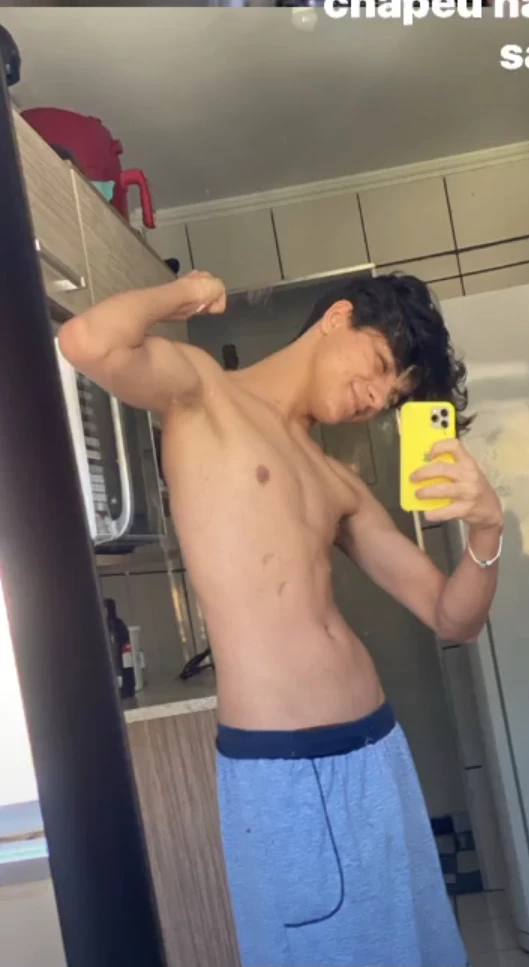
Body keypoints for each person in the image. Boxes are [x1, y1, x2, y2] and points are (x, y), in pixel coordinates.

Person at [60, 271, 503, 967]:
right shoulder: (205, 393)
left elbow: (452, 618)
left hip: (378, 748)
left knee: (417, 950)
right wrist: (185, 293)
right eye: (378, 367)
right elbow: (88, 341)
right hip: (287, 766)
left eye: (389, 398)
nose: (374, 399)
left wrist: (486, 530)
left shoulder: (337, 480)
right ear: (338, 317)